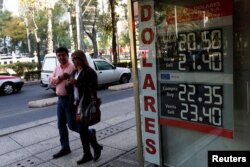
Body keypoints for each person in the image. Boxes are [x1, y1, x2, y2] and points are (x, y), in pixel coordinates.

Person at [66, 50, 103, 165]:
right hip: (76, 104)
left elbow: (92, 88)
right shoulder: (74, 72)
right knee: (73, 126)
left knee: (82, 130)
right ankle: (95, 146)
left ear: (81, 58)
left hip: (86, 104)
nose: (73, 61)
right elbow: (71, 90)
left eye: (75, 58)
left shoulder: (89, 72)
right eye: (72, 59)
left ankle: (88, 153)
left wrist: (77, 83)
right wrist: (68, 85)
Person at [49, 47, 77, 158]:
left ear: (67, 55)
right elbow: (51, 82)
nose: (61, 57)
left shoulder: (73, 67)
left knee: (72, 125)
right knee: (61, 125)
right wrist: (60, 77)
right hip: (60, 100)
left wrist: (70, 79)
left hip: (70, 100)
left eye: (63, 55)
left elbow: (77, 83)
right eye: (59, 55)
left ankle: (89, 133)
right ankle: (65, 147)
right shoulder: (57, 69)